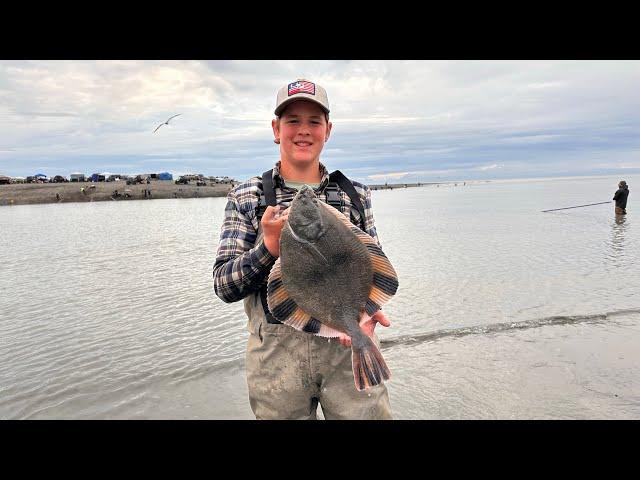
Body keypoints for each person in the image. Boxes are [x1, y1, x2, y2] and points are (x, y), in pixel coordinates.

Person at [212, 78, 393, 420]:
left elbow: (373, 263)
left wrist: (366, 319)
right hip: (276, 357)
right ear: (276, 129)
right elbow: (224, 285)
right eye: (292, 120)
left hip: (347, 346)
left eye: (314, 121)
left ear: (328, 130)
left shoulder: (355, 194)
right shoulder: (246, 196)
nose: (303, 130)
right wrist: (268, 248)